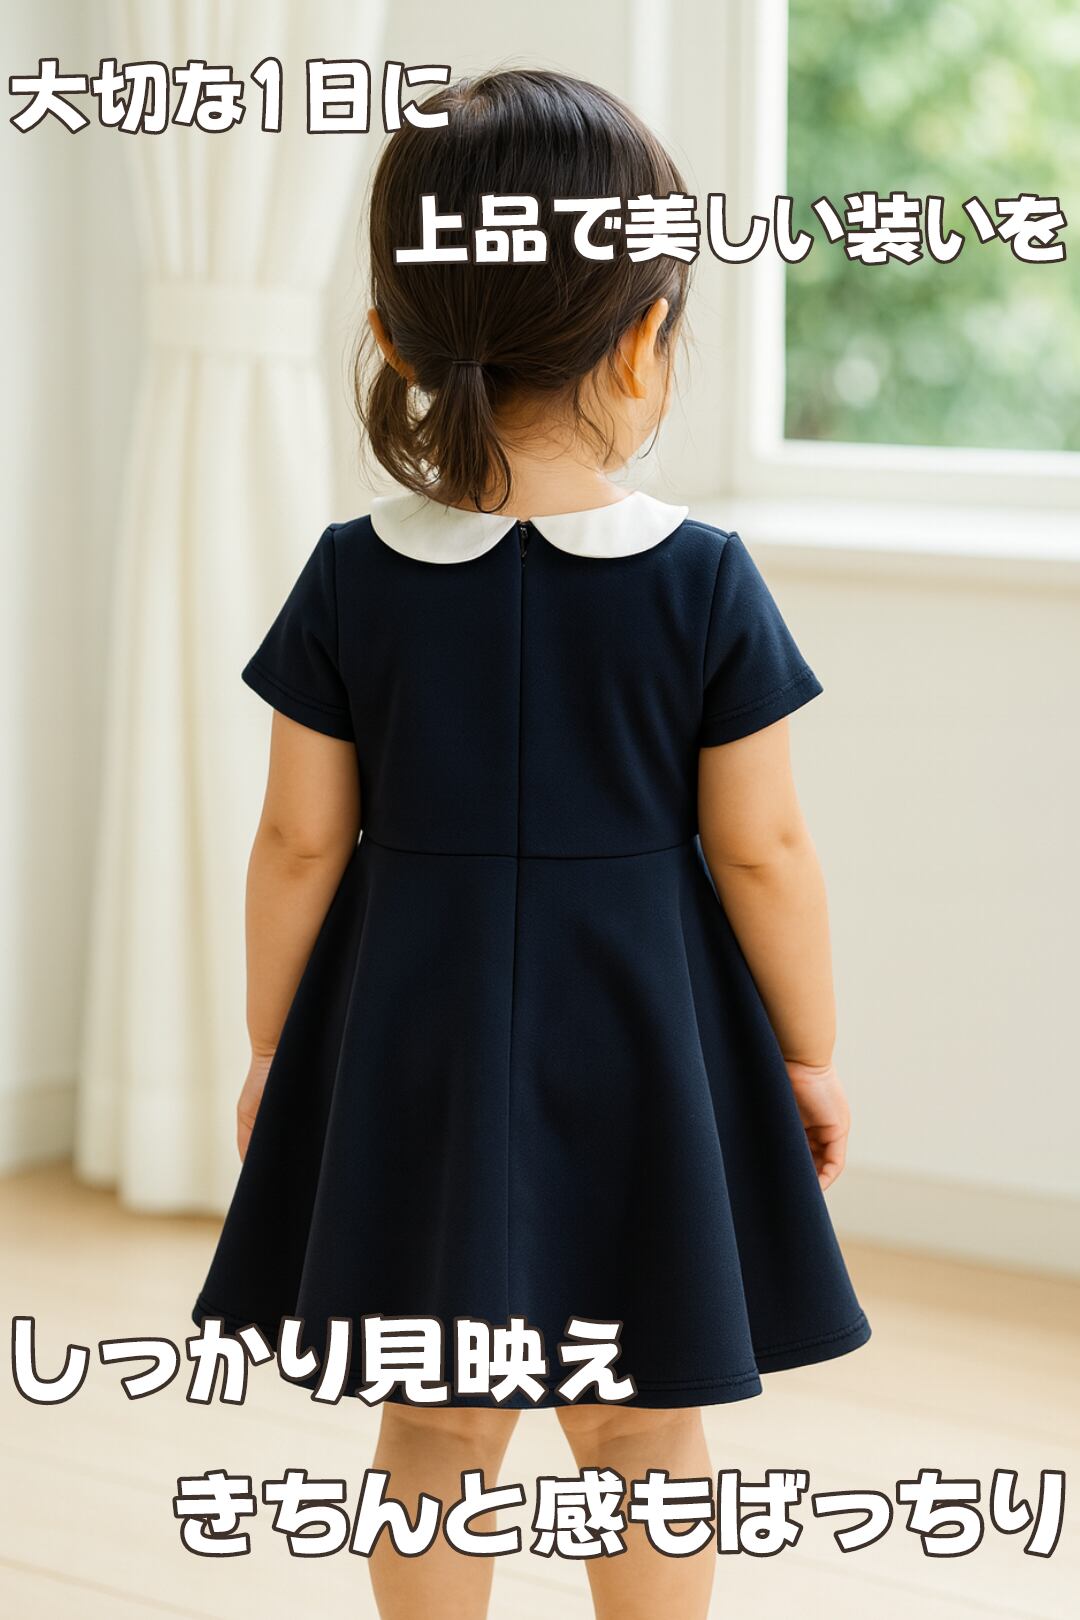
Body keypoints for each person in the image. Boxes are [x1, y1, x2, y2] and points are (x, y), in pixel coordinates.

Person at [192, 66, 871, 1620]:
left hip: (411, 1034)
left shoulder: (352, 575)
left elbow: (296, 843)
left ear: (395, 339)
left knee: (434, 1424)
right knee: (642, 1423)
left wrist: (276, 1046)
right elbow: (764, 850)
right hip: (643, 1034)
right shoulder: (703, 577)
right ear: (644, 340)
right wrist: (807, 1053)